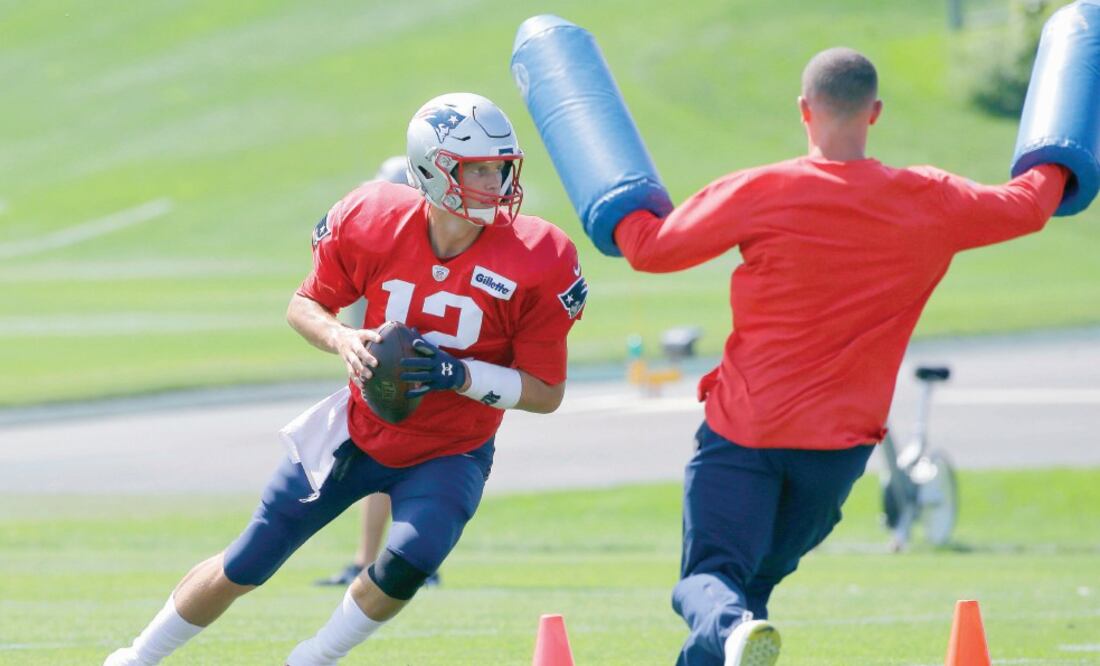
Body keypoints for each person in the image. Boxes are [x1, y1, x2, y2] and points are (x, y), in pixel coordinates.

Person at [606, 48, 1067, 665]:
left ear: (805, 110)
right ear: (874, 112)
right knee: (749, 597)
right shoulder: (931, 198)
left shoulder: (761, 191)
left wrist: (613, 191)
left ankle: (735, 627)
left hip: (747, 433)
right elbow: (1032, 205)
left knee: (709, 581)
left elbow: (650, 249)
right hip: (839, 453)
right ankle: (739, 632)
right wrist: (1064, 144)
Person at [104, 92, 587, 665]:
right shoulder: (373, 219)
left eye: (499, 167)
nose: (493, 181)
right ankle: (135, 658)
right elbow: (304, 305)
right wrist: (341, 338)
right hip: (356, 431)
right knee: (250, 560)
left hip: (451, 449)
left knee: (412, 559)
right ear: (433, 169)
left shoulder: (539, 255)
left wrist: (458, 375)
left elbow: (546, 393)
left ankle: (312, 659)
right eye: (476, 167)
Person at [317, 155, 438, 590]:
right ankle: (387, 558)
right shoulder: (377, 240)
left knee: (392, 463)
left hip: (408, 374)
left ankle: (396, 558)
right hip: (378, 364)